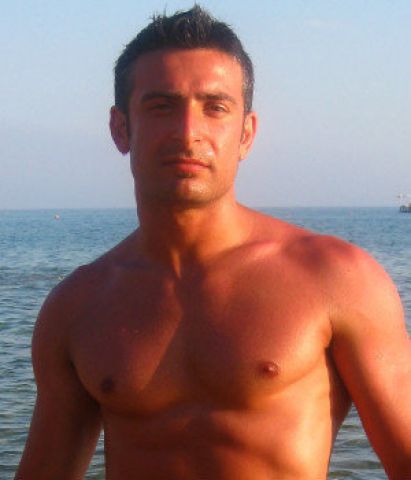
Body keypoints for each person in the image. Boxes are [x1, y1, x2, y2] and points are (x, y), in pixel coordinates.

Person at [15, 6, 411, 480]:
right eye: (161, 106)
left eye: (215, 107)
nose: (188, 133)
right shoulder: (78, 307)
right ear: (121, 129)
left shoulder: (336, 278)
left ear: (246, 133)